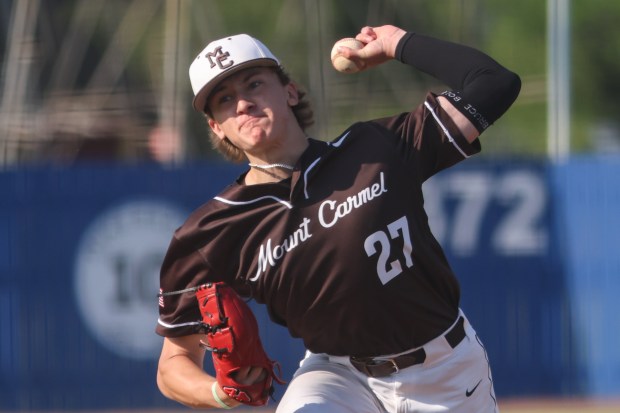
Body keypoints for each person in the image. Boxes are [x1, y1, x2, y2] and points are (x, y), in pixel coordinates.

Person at [156, 24, 521, 412]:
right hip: (337, 377)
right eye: (224, 99)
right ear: (217, 127)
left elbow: (494, 83)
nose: (242, 103)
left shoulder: (376, 150)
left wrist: (398, 44)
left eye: (254, 84)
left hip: (444, 372)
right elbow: (173, 363)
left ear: (290, 91)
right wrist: (218, 393)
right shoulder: (211, 233)